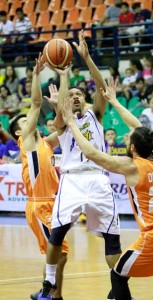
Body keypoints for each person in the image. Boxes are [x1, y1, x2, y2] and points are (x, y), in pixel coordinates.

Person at [62, 76, 153, 300]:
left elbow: (91, 153)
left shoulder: (132, 167)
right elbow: (137, 125)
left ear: (133, 148)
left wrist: (71, 124)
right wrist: (114, 102)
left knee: (118, 276)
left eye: (128, 141)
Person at [38, 31, 122, 300]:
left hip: (98, 178)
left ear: (85, 100)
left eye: (78, 94)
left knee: (112, 237)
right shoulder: (63, 123)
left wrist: (87, 58)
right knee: (57, 232)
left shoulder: (96, 116)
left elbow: (101, 88)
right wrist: (64, 77)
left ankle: (119, 289)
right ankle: (49, 282)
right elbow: (62, 106)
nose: (74, 97)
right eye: (70, 95)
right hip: (72, 180)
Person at [9, 54, 68, 300]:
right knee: (59, 254)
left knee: (58, 254)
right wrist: (36, 75)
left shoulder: (44, 142)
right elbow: (34, 104)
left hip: (52, 203)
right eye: (24, 121)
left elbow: (63, 125)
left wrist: (63, 83)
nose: (29, 120)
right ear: (18, 131)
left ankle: (55, 295)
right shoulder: (28, 140)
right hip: (40, 204)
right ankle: (48, 294)